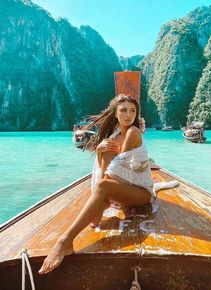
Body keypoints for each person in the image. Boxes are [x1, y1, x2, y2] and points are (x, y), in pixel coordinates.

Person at [39, 94, 178, 274]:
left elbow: (112, 173)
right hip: (123, 190)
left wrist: (102, 195)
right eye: (123, 110)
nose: (128, 115)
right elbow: (107, 173)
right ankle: (101, 204)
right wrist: (99, 151)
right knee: (105, 151)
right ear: (115, 114)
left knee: (104, 181)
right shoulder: (114, 136)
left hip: (141, 193)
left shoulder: (133, 133)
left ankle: (65, 241)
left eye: (133, 111)